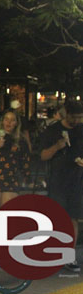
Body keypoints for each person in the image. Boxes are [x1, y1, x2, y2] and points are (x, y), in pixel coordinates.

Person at [40, 100, 83, 272]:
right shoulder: (53, 130)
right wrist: (57, 146)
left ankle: (69, 255)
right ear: (67, 114)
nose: (78, 120)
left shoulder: (81, 130)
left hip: (77, 179)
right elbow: (43, 156)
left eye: (81, 117)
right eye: (75, 117)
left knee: (73, 217)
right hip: (58, 180)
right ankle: (54, 252)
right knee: (58, 218)